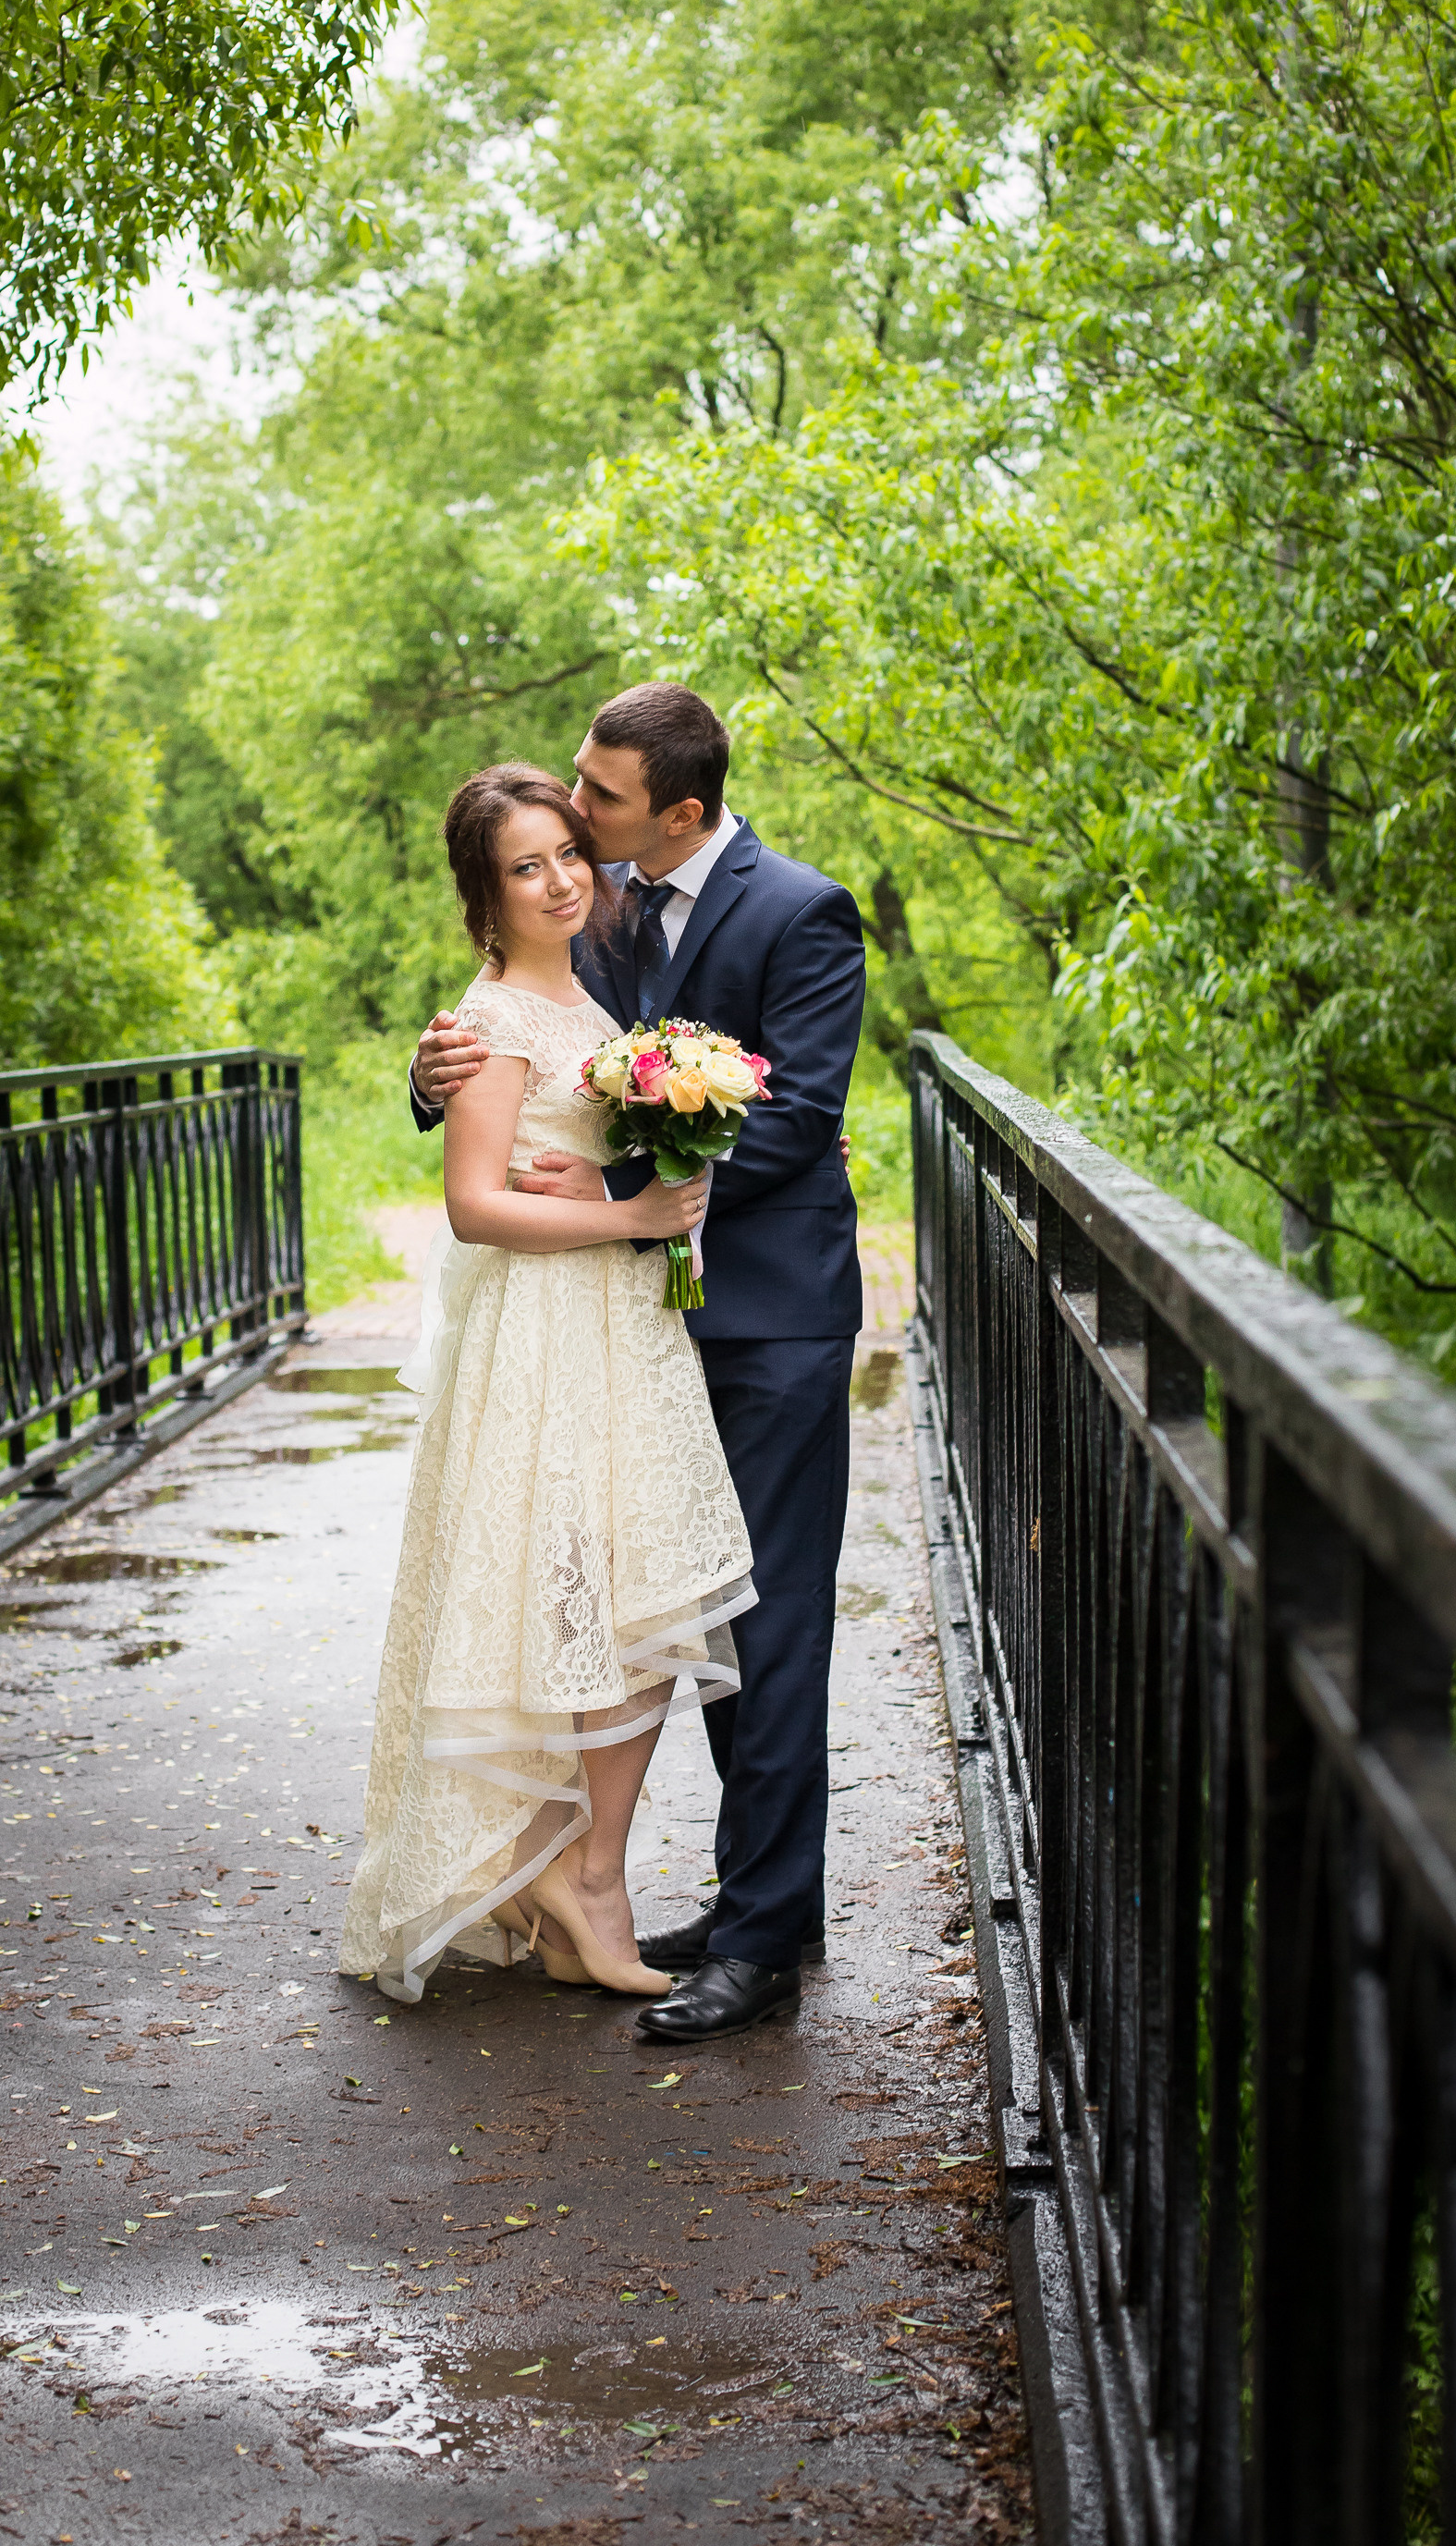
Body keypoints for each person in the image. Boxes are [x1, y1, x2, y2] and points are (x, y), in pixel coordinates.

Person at [409, 684, 866, 2040]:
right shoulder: (594, 902)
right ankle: (753, 1901)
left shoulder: (803, 911)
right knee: (675, 1609)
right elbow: (519, 1037)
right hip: (623, 1332)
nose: (574, 810)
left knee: (768, 1622)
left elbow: (801, 1115)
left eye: (597, 797)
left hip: (767, 1322)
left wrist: (624, 1182)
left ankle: (763, 1940)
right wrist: (433, 1079)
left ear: (680, 810)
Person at [341, 762, 756, 2009]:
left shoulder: (592, 991)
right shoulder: (491, 1021)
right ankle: (582, 1884)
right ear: (486, 894)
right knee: (579, 1600)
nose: (563, 879)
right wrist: (633, 1218)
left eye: (571, 852)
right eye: (527, 867)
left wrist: (673, 1187)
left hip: (625, 1329)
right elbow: (474, 1207)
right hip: (547, 1336)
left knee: (636, 1607)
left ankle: (579, 1875)